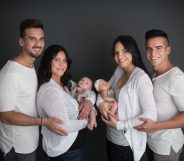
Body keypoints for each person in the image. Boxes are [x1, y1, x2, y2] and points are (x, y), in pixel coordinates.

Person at [0, 18, 67, 161]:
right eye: (32, 39)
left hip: (30, 143)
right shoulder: (10, 74)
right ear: (21, 42)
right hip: (16, 148)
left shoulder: (30, 66)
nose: (38, 44)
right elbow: (5, 116)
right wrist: (44, 121)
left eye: (41, 39)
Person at [97, 35, 157, 161]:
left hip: (126, 145)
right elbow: (103, 90)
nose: (120, 57)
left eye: (124, 51)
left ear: (133, 51)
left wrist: (119, 125)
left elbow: (150, 115)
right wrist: (101, 104)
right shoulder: (119, 70)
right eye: (116, 53)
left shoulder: (140, 78)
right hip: (111, 137)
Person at [37, 44, 97, 161]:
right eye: (57, 60)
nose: (61, 64)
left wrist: (89, 102)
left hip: (73, 150)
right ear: (48, 62)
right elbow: (64, 126)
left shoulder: (65, 83)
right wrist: (87, 121)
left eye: (64, 60)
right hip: (65, 152)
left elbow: (90, 91)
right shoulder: (49, 90)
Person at [134, 29, 184, 161]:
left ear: (168, 50)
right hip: (151, 142)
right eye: (149, 49)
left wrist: (155, 126)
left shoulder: (176, 78)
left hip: (166, 147)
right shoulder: (153, 74)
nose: (153, 53)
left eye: (158, 48)